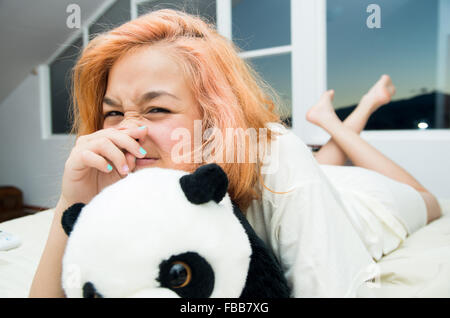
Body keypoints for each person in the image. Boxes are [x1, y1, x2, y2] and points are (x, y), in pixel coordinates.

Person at [29, 10, 441, 298]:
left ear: (213, 119)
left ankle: (345, 117)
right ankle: (332, 122)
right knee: (312, 170)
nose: (128, 130)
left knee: (429, 200)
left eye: (157, 109)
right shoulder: (127, 179)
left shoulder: (274, 151)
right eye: (113, 112)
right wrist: (73, 199)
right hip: (302, 182)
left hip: (361, 209)